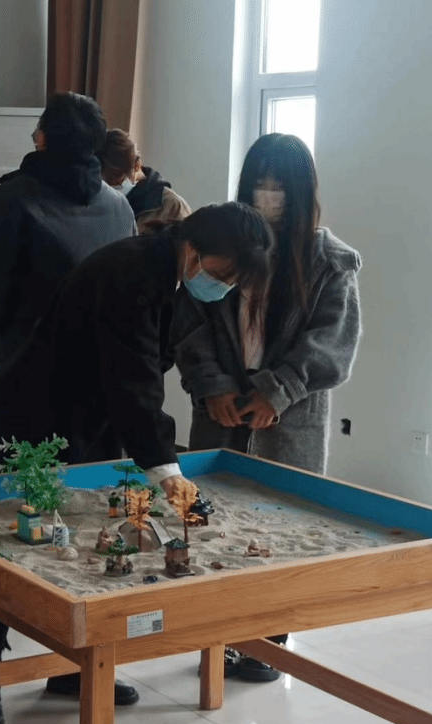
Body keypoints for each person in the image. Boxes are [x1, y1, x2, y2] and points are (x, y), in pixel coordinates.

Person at [0, 202, 273, 724]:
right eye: (222, 274)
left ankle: (72, 670)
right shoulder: (131, 272)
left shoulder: (169, 271)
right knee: (18, 543)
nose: (222, 286)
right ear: (195, 249)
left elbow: (147, 371)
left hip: (89, 421)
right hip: (36, 421)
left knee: (88, 541)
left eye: (232, 281)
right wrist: (169, 475)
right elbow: (135, 382)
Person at [174, 133, 362, 682]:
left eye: (280, 186)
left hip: (290, 417)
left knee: (278, 527)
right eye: (260, 183)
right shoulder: (223, 246)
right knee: (211, 521)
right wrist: (212, 387)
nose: (269, 195)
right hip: (222, 410)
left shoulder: (330, 260)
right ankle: (216, 638)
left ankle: (267, 643)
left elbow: (331, 343)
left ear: (301, 191)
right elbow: (191, 326)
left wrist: (277, 391)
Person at [0, 92, 137, 366]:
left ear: (43, 138)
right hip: (102, 362)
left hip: (30, 364)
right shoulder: (120, 207)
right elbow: (130, 290)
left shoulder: (11, 201)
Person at [99, 128, 191, 233]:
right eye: (104, 180)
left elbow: (187, 242)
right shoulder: (100, 201)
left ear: (137, 165)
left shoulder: (173, 206)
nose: (110, 185)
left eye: (116, 178)